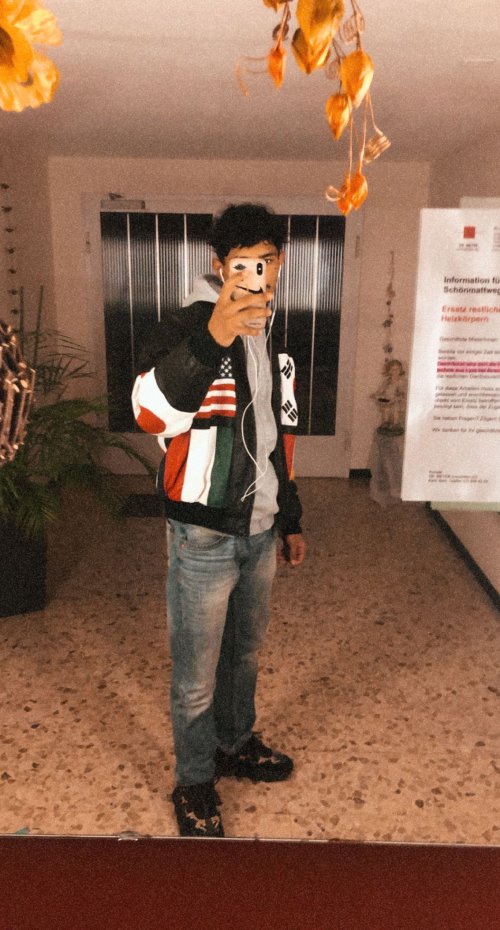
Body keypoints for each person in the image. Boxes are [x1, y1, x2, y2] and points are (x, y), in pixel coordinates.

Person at [132, 203, 305, 838]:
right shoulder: (184, 326)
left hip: (259, 529)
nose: (256, 275)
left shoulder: (272, 333)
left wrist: (290, 518)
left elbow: (273, 435)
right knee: (196, 678)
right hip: (201, 532)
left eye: (267, 262)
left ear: (279, 265)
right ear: (218, 265)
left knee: (244, 657)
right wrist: (214, 336)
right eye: (242, 263)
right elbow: (151, 414)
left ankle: (235, 743)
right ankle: (195, 779)